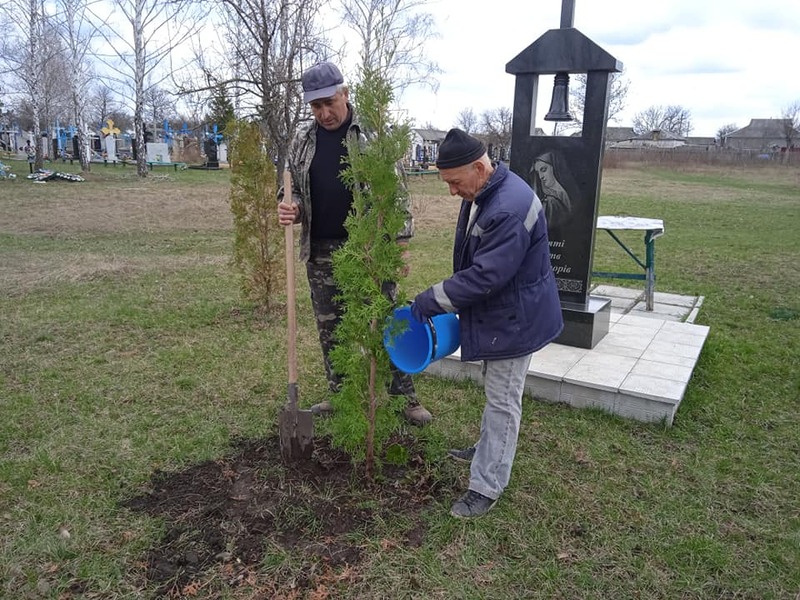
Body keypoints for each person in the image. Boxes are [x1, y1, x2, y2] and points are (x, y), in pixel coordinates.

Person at [410, 129, 563, 517]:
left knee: (502, 400)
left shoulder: (507, 209)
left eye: (455, 183)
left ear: (479, 167)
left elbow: (486, 276)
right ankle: (487, 450)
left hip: (517, 319)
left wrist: (432, 299)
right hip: (504, 312)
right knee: (495, 389)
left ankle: (487, 484)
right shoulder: (489, 188)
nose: (451, 192)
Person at [277, 61, 432, 427]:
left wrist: (400, 246)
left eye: (330, 102)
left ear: (345, 94)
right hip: (322, 249)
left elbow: (397, 196)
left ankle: (403, 396)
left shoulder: (372, 136)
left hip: (369, 249)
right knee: (331, 326)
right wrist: (291, 207)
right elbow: (292, 189)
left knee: (386, 322)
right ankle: (341, 391)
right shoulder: (302, 139)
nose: (324, 113)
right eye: (316, 107)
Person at [531, 151, 574, 229]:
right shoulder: (549, 201)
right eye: (538, 173)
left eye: (543, 170)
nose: (541, 177)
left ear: (554, 167)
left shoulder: (553, 201)